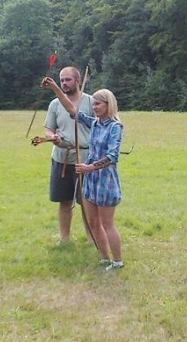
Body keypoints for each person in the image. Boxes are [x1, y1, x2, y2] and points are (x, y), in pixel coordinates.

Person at [41, 76, 125, 270]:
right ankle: (105, 258)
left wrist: (90, 167)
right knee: (93, 222)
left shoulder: (115, 127)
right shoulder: (94, 124)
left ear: (108, 105)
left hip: (105, 180)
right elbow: (72, 110)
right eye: (93, 104)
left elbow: (112, 156)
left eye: (98, 104)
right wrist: (56, 89)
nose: (94, 107)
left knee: (107, 223)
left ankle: (118, 261)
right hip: (90, 180)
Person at [41, 66, 94, 244]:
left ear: (78, 81)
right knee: (64, 200)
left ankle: (91, 237)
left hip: (85, 158)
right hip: (61, 157)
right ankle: (64, 239)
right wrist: (52, 137)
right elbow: (49, 129)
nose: (64, 83)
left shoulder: (91, 102)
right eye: (62, 80)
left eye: (68, 79)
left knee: (87, 201)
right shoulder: (55, 104)